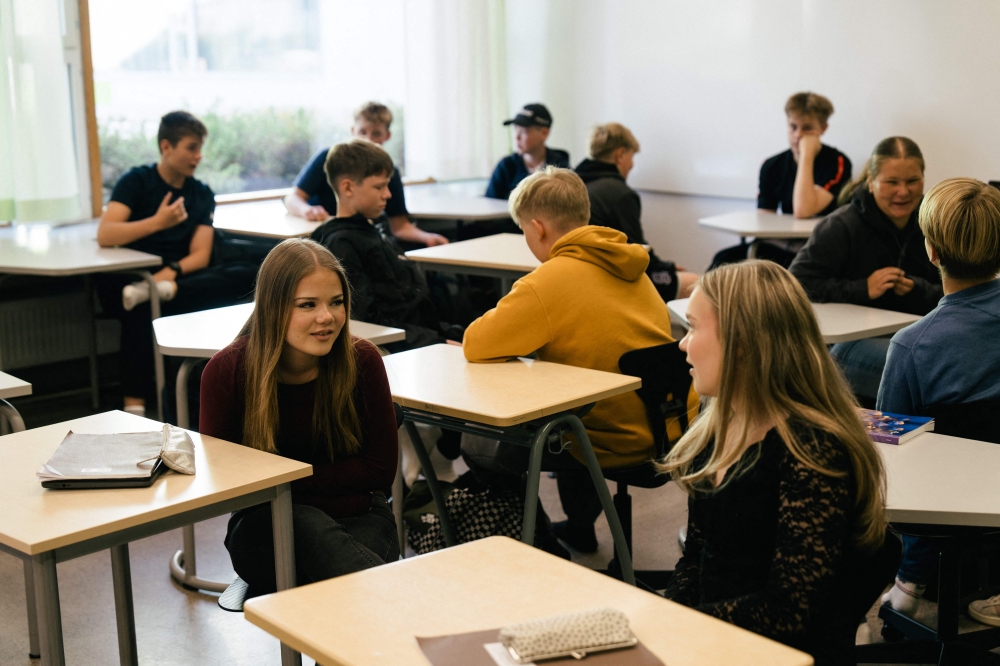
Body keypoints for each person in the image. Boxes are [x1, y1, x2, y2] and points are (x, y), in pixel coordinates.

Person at [659, 260, 891, 666]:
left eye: (694, 327)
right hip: (714, 639)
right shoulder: (715, 423)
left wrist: (682, 624)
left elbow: (788, 611)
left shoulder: (812, 447)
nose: (683, 343)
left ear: (741, 342)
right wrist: (668, 617)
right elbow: (697, 555)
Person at [461, 166, 677, 555]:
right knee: (570, 408)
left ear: (537, 228)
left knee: (482, 441)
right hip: (669, 425)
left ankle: (540, 545)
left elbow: (476, 343)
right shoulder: (630, 264)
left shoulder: (548, 282)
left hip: (610, 436)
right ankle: (579, 527)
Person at [199, 238, 399, 598]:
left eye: (336, 302)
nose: (328, 317)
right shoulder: (227, 372)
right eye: (308, 305)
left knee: (343, 594)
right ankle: (406, 614)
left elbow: (380, 471)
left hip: (360, 517)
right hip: (264, 529)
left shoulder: (363, 361)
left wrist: (283, 483)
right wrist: (328, 489)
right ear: (273, 308)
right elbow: (230, 486)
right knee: (305, 524)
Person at [876, 178, 1000, 624]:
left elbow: (892, 445)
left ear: (931, 251)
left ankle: (910, 582)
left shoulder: (913, 345)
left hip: (944, 511)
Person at [96, 110, 256, 416]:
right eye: (191, 147)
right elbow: (106, 233)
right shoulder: (136, 181)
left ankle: (157, 289)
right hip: (131, 281)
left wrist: (169, 276)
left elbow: (200, 254)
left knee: (249, 273)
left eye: (199, 148)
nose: (198, 156)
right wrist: (157, 222)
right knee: (141, 308)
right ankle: (135, 408)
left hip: (178, 283)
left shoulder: (201, 193)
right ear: (166, 147)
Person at [788, 137, 942, 402]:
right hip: (850, 346)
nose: (903, 192)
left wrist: (918, 290)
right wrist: (861, 289)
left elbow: (957, 292)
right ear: (871, 183)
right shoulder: (842, 225)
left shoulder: (934, 222)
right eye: (892, 182)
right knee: (923, 367)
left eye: (912, 181)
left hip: (917, 336)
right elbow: (795, 283)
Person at [309, 139, 446, 350]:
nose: (388, 194)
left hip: (423, 333)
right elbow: (368, 322)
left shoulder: (372, 230)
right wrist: (440, 343)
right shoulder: (341, 244)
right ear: (347, 187)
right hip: (405, 345)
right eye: (379, 187)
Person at [284, 101, 447, 247]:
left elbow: (400, 226)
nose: (368, 139)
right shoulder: (329, 159)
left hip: (360, 238)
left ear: (387, 136)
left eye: (376, 134)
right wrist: (306, 210)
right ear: (353, 131)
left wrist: (428, 237)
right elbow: (293, 198)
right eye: (362, 132)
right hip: (325, 237)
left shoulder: (390, 171)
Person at [575, 122, 698, 301]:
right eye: (631, 157)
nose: (632, 165)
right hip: (611, 278)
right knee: (694, 284)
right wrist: (667, 268)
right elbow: (636, 251)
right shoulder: (620, 194)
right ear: (620, 154)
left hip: (577, 275)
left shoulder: (573, 184)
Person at [758, 92, 851, 219]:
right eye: (793, 127)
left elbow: (803, 211)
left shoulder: (838, 162)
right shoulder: (771, 165)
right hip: (783, 236)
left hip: (824, 237)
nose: (798, 135)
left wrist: (806, 154)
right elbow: (764, 219)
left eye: (807, 128)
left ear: (823, 128)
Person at [485, 104, 570, 200]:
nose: (517, 137)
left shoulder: (561, 168)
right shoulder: (506, 166)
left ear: (544, 133)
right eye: (515, 130)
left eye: (523, 131)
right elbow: (490, 205)